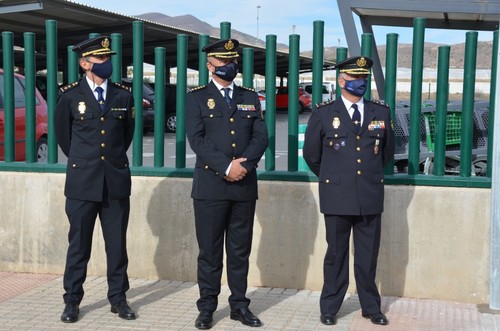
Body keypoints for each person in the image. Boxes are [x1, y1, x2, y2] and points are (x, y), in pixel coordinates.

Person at [303, 56, 395, 326]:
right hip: (337, 195)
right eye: (355, 78)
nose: (361, 83)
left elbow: (386, 153)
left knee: (367, 257)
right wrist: (335, 178)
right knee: (336, 254)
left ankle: (371, 306)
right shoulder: (323, 113)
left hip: (369, 194)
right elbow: (312, 154)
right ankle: (330, 306)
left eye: (364, 78)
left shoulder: (381, 112)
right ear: (341, 81)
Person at [185, 38, 268, 330]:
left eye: (232, 62)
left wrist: (244, 166)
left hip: (243, 186)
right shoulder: (196, 97)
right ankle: (207, 307)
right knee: (209, 252)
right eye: (223, 63)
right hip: (210, 186)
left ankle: (239, 306)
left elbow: (261, 136)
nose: (229, 67)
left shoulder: (249, 96)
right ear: (210, 65)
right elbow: (197, 140)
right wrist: (225, 167)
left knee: (239, 251)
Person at [54, 35, 136, 323]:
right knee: (79, 246)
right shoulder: (69, 96)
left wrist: (108, 163)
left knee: (116, 245)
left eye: (107, 58)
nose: (106, 64)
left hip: (114, 182)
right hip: (82, 182)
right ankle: (72, 300)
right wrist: (87, 162)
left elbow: (126, 135)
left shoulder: (123, 95)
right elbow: (65, 139)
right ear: (84, 63)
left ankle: (119, 299)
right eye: (100, 59)